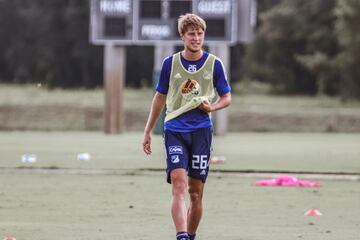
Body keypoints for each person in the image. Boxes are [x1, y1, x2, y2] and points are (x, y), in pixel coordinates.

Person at [142, 13, 231, 240]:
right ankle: (181, 236)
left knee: (195, 193)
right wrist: (148, 130)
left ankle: (190, 236)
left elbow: (227, 97)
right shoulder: (170, 64)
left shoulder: (214, 64)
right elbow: (159, 98)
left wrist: (212, 107)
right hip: (175, 130)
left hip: (201, 131)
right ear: (182, 36)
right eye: (191, 34)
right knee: (179, 186)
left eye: (200, 34)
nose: (196, 38)